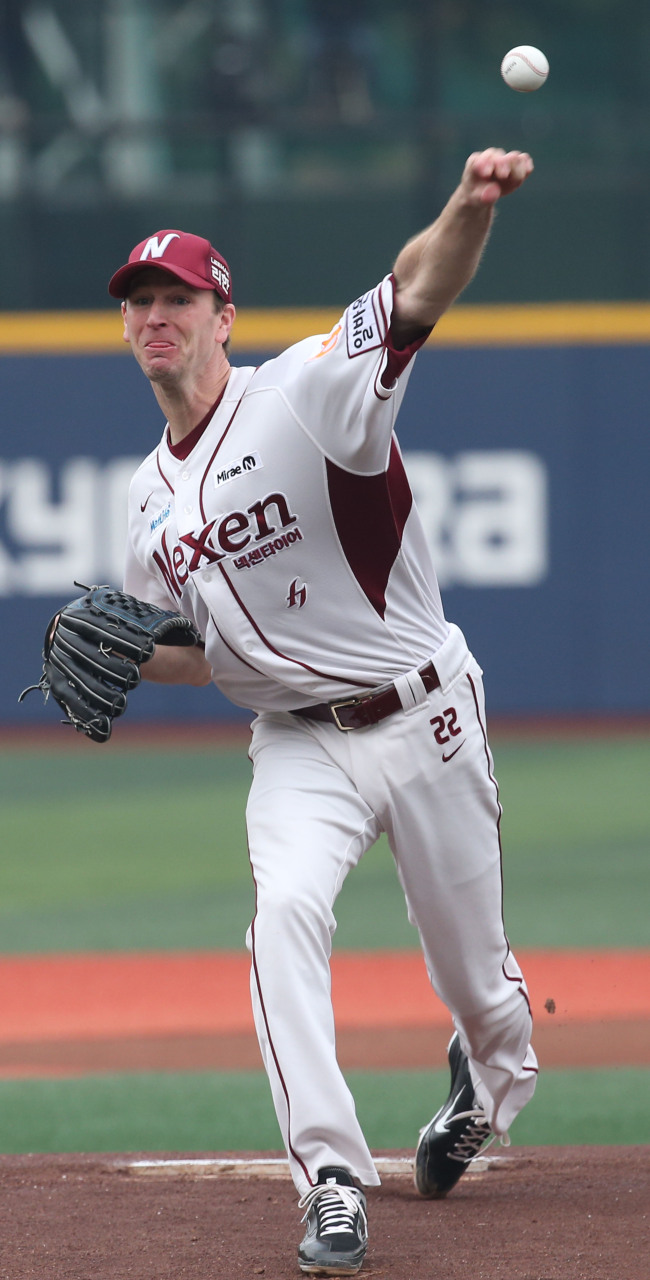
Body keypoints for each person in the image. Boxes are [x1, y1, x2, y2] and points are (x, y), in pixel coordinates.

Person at [108, 147, 538, 1276]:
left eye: (176, 299)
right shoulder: (147, 499)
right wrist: (124, 657)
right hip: (295, 742)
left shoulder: (305, 391)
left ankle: (484, 1082)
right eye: (139, 302)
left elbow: (413, 291)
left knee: (479, 985)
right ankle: (332, 1179)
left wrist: (466, 204)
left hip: (422, 712)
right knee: (281, 916)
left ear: (222, 316)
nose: (155, 315)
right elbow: (199, 651)